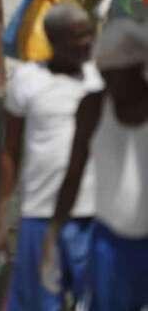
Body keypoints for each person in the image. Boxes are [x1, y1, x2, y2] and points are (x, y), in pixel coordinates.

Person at [0, 5, 100, 310]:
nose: (87, 42)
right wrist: (1, 219)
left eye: (89, 34)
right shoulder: (27, 80)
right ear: (53, 39)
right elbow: (10, 152)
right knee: (40, 304)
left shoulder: (101, 78)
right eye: (77, 36)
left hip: (94, 215)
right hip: (40, 214)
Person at [42, 17, 148, 309]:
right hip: (110, 242)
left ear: (139, 68)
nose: (111, 83)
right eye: (105, 75)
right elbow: (73, 174)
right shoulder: (93, 107)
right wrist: (53, 235)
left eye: (118, 75)